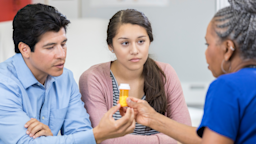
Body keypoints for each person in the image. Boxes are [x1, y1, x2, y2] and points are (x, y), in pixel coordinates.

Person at [122, 0, 256, 144]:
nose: (205, 53)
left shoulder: (226, 87)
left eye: (207, 44)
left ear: (228, 48)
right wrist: (152, 118)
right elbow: (211, 137)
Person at [0, 3, 136, 144]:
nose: (61, 54)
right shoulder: (3, 84)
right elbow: (25, 143)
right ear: (25, 49)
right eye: (50, 47)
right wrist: (98, 134)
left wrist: (50, 139)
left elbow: (80, 132)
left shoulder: (65, 78)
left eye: (63, 44)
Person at [79, 9, 191, 144]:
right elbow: (105, 139)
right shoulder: (93, 78)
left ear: (150, 41)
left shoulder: (165, 73)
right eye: (125, 43)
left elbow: (186, 134)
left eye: (141, 41)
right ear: (110, 46)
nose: (134, 51)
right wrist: (165, 140)